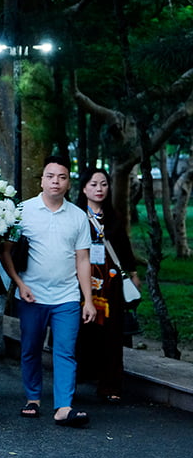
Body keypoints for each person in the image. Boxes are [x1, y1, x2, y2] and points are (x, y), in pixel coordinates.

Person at [0, 155, 96, 427]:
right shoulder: (22, 211)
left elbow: (83, 260)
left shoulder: (78, 216)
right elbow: (5, 252)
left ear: (68, 183)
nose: (56, 181)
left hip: (67, 296)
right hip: (32, 295)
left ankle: (64, 407)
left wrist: (87, 299)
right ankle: (33, 398)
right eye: (50, 176)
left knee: (65, 351)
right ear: (41, 180)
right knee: (30, 347)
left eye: (62, 177)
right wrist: (20, 284)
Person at [75, 168, 139, 403]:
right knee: (82, 330)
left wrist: (132, 273)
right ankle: (79, 377)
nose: (99, 189)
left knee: (112, 334)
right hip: (82, 281)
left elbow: (124, 248)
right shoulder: (76, 215)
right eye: (93, 184)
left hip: (110, 283)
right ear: (83, 188)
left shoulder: (114, 216)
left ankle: (110, 384)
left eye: (103, 184)